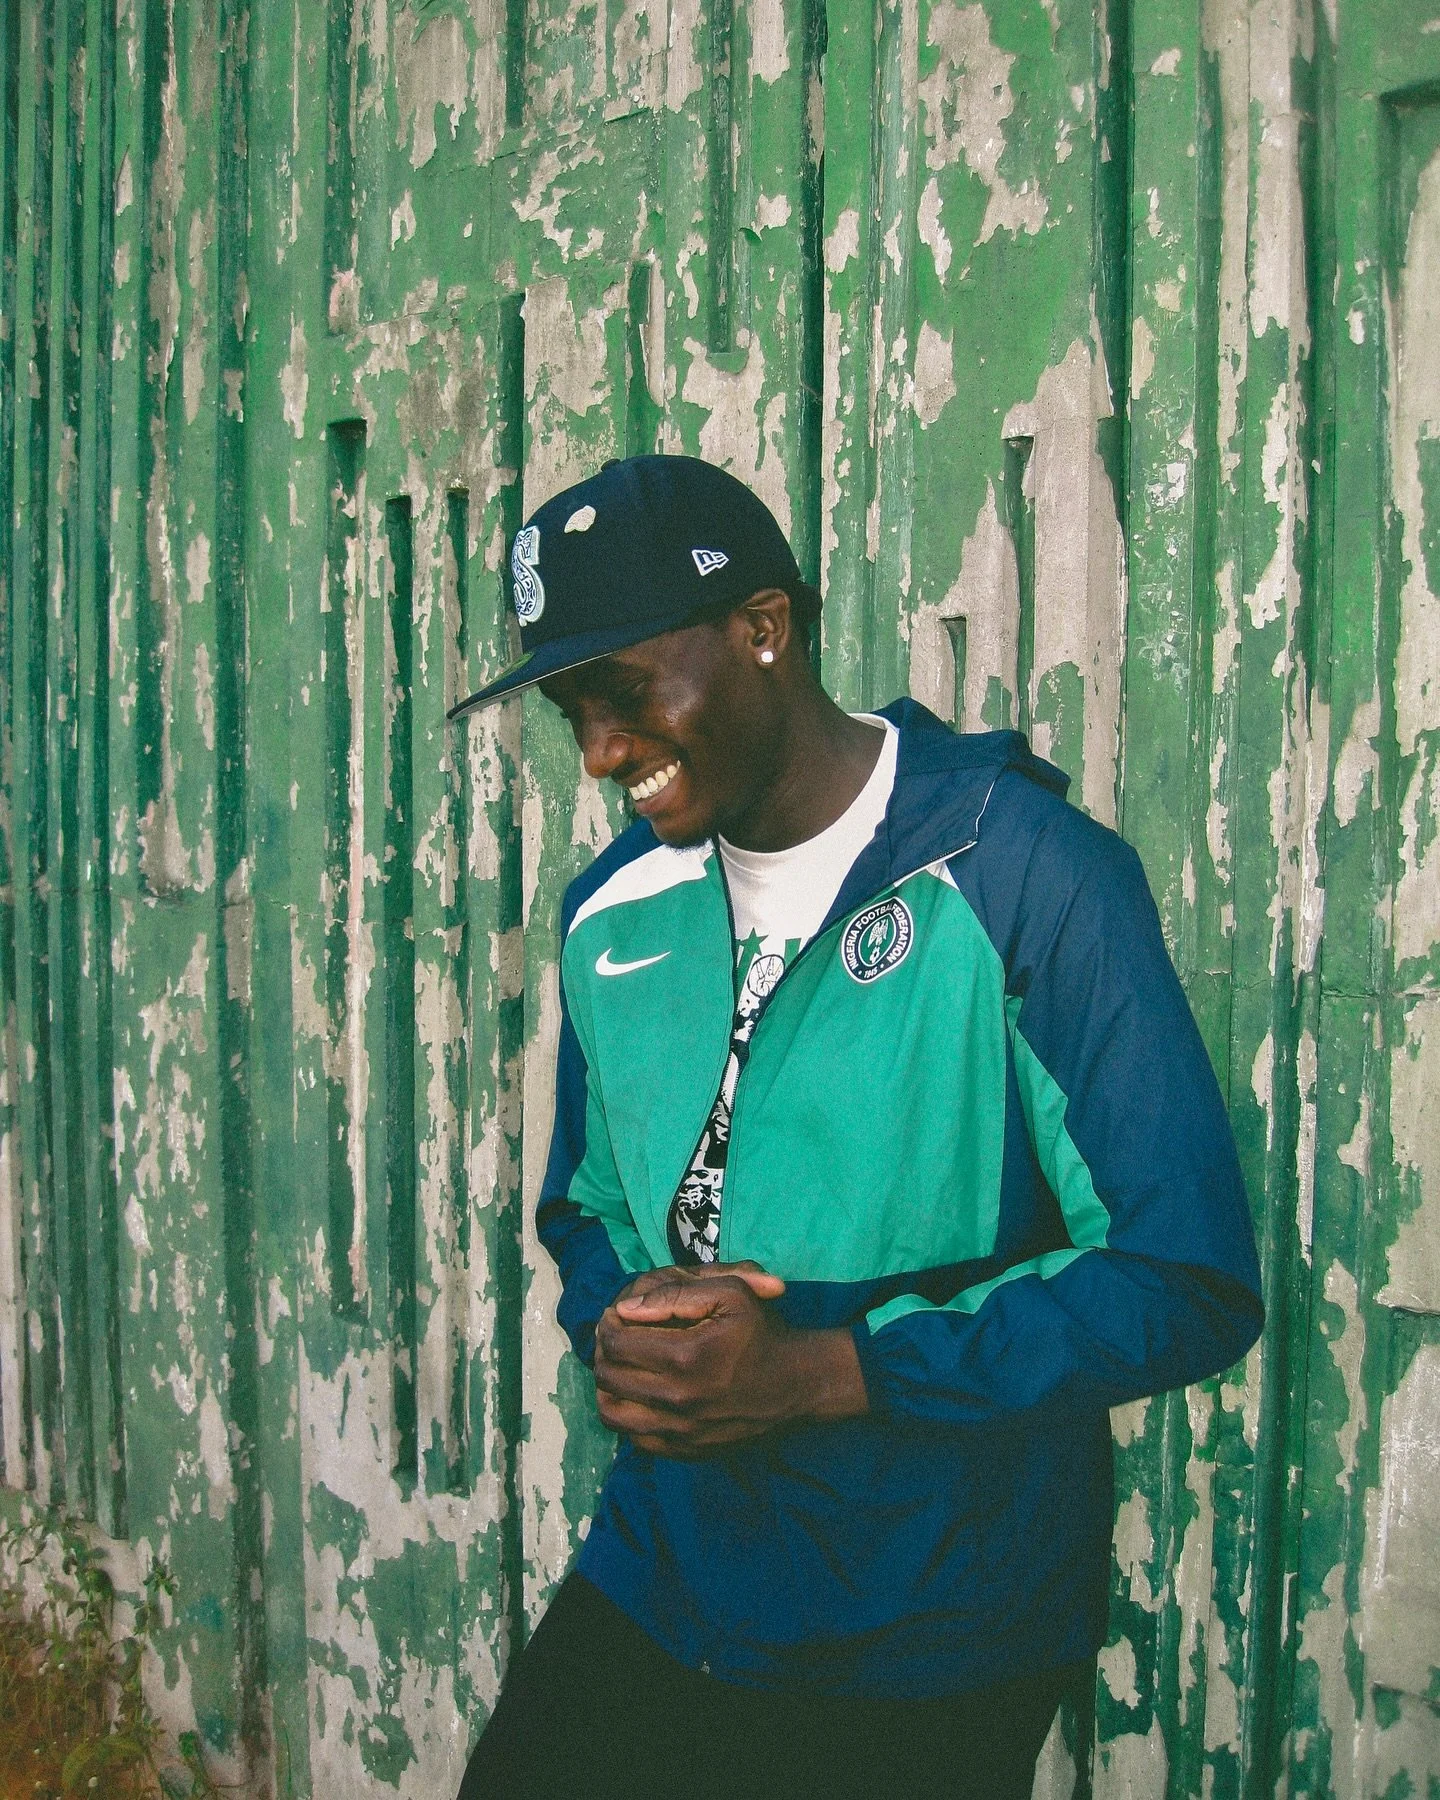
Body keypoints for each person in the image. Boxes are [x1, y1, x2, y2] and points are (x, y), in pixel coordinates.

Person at [449, 455, 1264, 1800]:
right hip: (666, 1572)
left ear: (763, 628)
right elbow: (584, 1205)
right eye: (570, 710)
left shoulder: (1026, 877)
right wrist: (625, 1325)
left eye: (624, 692)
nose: (598, 753)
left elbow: (1184, 1278)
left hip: (933, 1623)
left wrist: (822, 1370)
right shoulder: (612, 911)